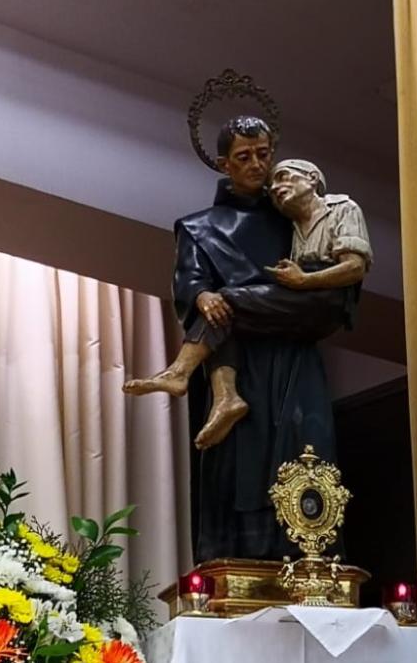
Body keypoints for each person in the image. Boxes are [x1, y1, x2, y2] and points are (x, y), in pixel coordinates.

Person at [122, 116, 364, 563]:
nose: (257, 165)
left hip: (293, 352)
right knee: (239, 464)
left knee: (306, 448)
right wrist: (201, 292)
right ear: (223, 164)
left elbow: (340, 270)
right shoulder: (198, 228)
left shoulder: (296, 214)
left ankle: (313, 556)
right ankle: (239, 563)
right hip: (239, 357)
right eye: (243, 157)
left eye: (264, 154)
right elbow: (189, 285)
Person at [125, 157, 372, 451]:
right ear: (224, 163)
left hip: (324, 298)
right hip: (301, 299)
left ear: (313, 179)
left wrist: (303, 280)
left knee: (227, 300)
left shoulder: (341, 208)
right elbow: (190, 279)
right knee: (222, 313)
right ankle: (226, 396)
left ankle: (180, 373)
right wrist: (202, 295)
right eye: (275, 182)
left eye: (284, 176)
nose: (277, 186)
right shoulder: (291, 223)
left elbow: (355, 267)